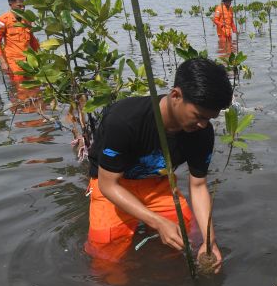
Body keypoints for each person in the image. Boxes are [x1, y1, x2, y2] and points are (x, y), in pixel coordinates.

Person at [84, 58, 233, 273]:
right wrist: (156, 222)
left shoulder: (202, 132)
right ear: (175, 96)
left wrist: (211, 242)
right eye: (199, 116)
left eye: (209, 119)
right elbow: (108, 185)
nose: (203, 124)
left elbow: (198, 186)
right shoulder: (124, 120)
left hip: (157, 183)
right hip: (115, 185)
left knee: (188, 237)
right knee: (105, 260)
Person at [0, 0, 39, 82]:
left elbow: (32, 39)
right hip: (13, 61)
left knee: (34, 87)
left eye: (24, 6)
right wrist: (3, 62)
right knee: (18, 87)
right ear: (10, 4)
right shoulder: (2, 20)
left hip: (29, 59)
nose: (22, 9)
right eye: (19, 6)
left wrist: (39, 55)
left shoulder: (27, 19)